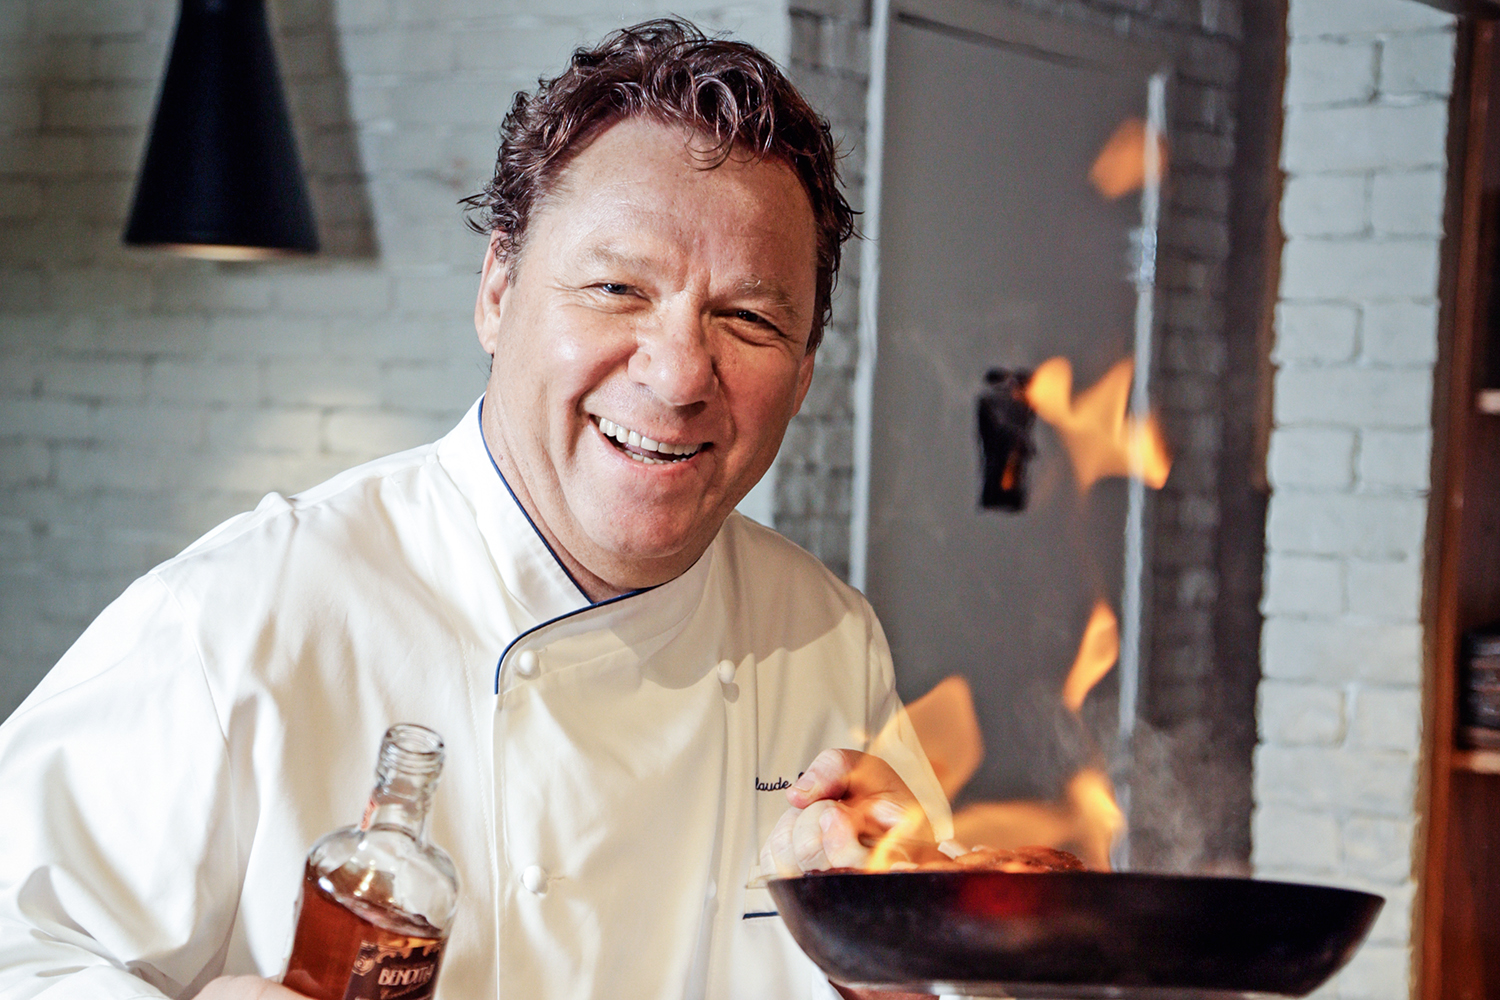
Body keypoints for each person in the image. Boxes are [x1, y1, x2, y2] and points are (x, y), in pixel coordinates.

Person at [0, 19, 951, 1000]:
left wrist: (905, 973)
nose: (676, 376)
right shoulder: (245, 612)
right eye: (617, 287)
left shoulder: (827, 637)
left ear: (802, 379)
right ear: (497, 288)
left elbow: (945, 974)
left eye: (749, 317)